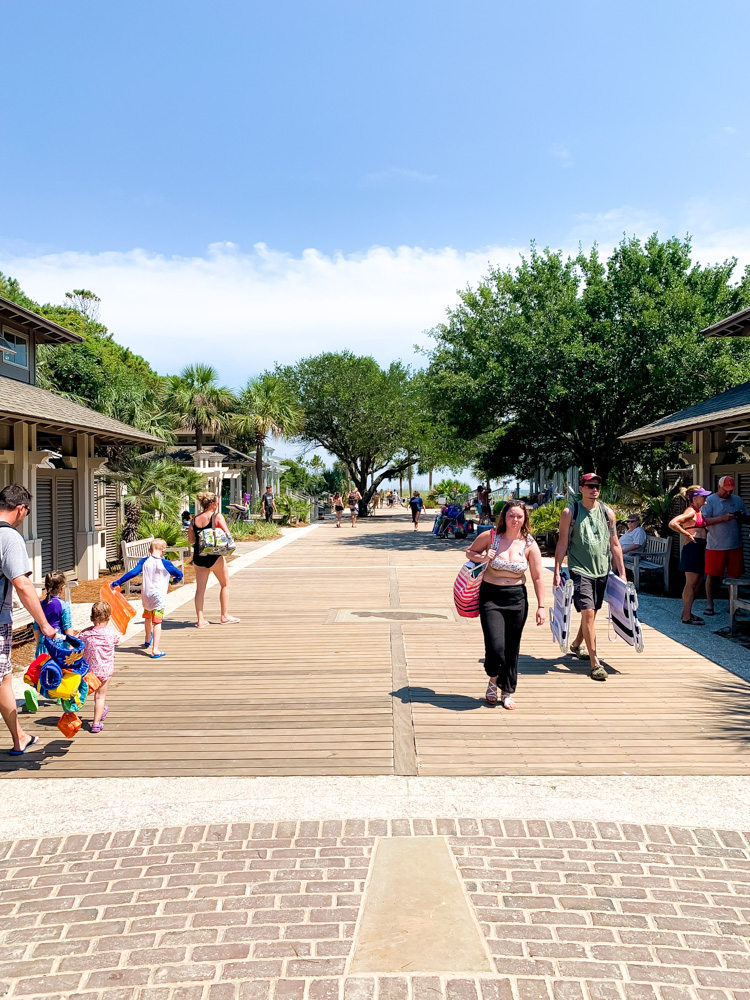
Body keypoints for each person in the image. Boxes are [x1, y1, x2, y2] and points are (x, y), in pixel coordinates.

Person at [465, 501, 546, 710]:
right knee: (495, 646)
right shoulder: (491, 537)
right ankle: (493, 678)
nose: (515, 520)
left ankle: (507, 690)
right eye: (511, 515)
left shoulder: (529, 544)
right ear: (504, 517)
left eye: (519, 516)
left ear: (524, 519)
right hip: (491, 596)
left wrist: (541, 606)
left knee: (512, 647)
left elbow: (537, 577)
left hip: (517, 598)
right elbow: (469, 553)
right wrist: (483, 557)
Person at [0, 485, 56, 755]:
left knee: (4, 678)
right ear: (20, 508)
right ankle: (19, 737)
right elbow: (22, 584)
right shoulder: (9, 537)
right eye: (28, 511)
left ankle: (20, 735)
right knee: (2, 679)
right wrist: (44, 624)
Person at [554, 472, 626, 681]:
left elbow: (614, 543)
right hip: (579, 569)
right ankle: (595, 663)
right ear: (581, 488)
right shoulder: (571, 512)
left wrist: (621, 573)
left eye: (597, 486)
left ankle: (576, 644)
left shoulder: (607, 513)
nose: (594, 489)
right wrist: (557, 570)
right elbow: (562, 543)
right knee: (587, 612)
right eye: (590, 486)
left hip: (602, 570)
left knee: (591, 612)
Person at [113, 538, 184, 657]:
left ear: (150, 550)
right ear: (163, 551)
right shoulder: (166, 563)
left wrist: (118, 582)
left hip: (146, 595)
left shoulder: (144, 561)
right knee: (157, 621)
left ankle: (147, 638)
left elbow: (133, 573)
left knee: (147, 617)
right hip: (158, 597)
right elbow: (179, 574)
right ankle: (155, 649)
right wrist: (175, 581)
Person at [188, 491, 240, 628]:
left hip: (199, 557)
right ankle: (225, 616)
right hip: (214, 555)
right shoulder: (217, 517)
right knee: (225, 584)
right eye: (216, 502)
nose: (217, 505)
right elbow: (228, 534)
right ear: (212, 504)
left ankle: (200, 620)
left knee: (200, 590)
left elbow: (191, 540)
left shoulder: (194, 520)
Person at [703, 475, 748, 616]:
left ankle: (733, 605)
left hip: (735, 544)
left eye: (730, 490)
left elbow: (747, 517)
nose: (728, 493)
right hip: (715, 545)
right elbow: (703, 521)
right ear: (719, 487)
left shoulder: (737, 500)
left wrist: (742, 516)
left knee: (734, 576)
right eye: (725, 490)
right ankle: (710, 604)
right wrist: (721, 518)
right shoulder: (710, 501)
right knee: (711, 575)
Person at [669, 485, 711, 625]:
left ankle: (687, 612)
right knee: (691, 583)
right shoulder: (690, 511)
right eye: (703, 496)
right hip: (692, 548)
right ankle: (686, 616)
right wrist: (686, 533)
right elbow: (673, 523)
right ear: (695, 498)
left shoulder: (698, 512)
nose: (705, 498)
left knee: (698, 582)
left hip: (699, 547)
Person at [80, 600, 120, 733]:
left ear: (91, 618)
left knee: (96, 696)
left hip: (90, 672)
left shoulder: (85, 634)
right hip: (105, 671)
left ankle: (101, 711)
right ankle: (96, 723)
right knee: (100, 697)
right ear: (109, 618)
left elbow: (77, 639)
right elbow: (117, 639)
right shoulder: (111, 635)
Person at [32, 570, 76, 656]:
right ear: (61, 588)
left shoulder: (40, 605)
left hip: (43, 644)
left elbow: (36, 627)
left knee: (43, 668)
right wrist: (71, 645)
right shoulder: (63, 605)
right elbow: (68, 627)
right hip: (58, 645)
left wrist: (38, 643)